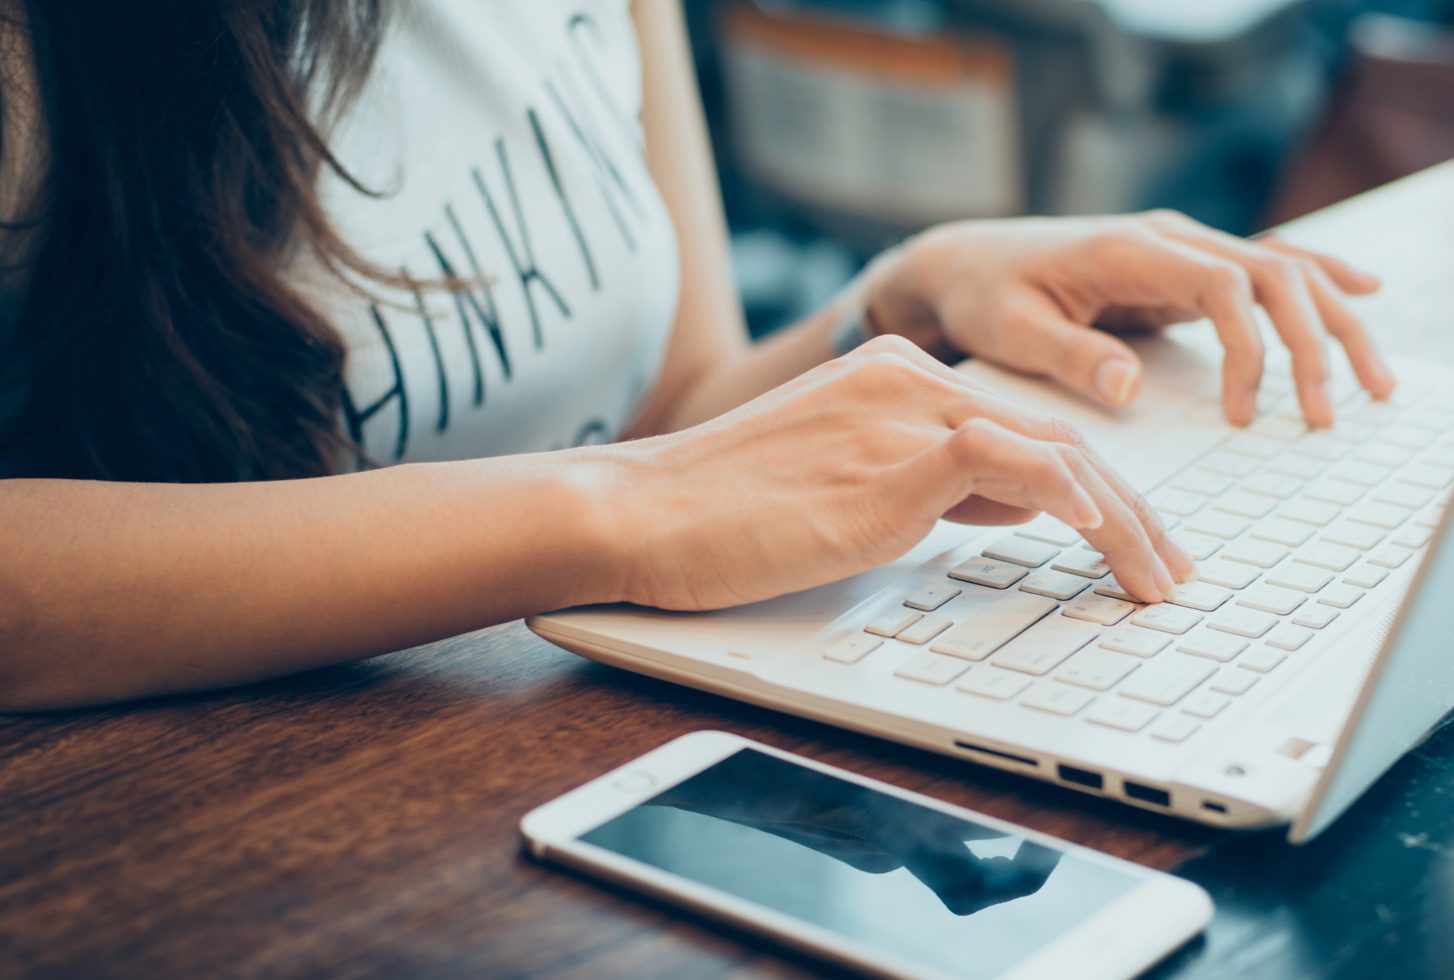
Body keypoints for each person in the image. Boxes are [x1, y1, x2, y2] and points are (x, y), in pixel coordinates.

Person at [0, 0, 1393, 711]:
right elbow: (643, 483)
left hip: (548, 754)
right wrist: (616, 515)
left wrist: (901, 308)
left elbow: (668, 406)